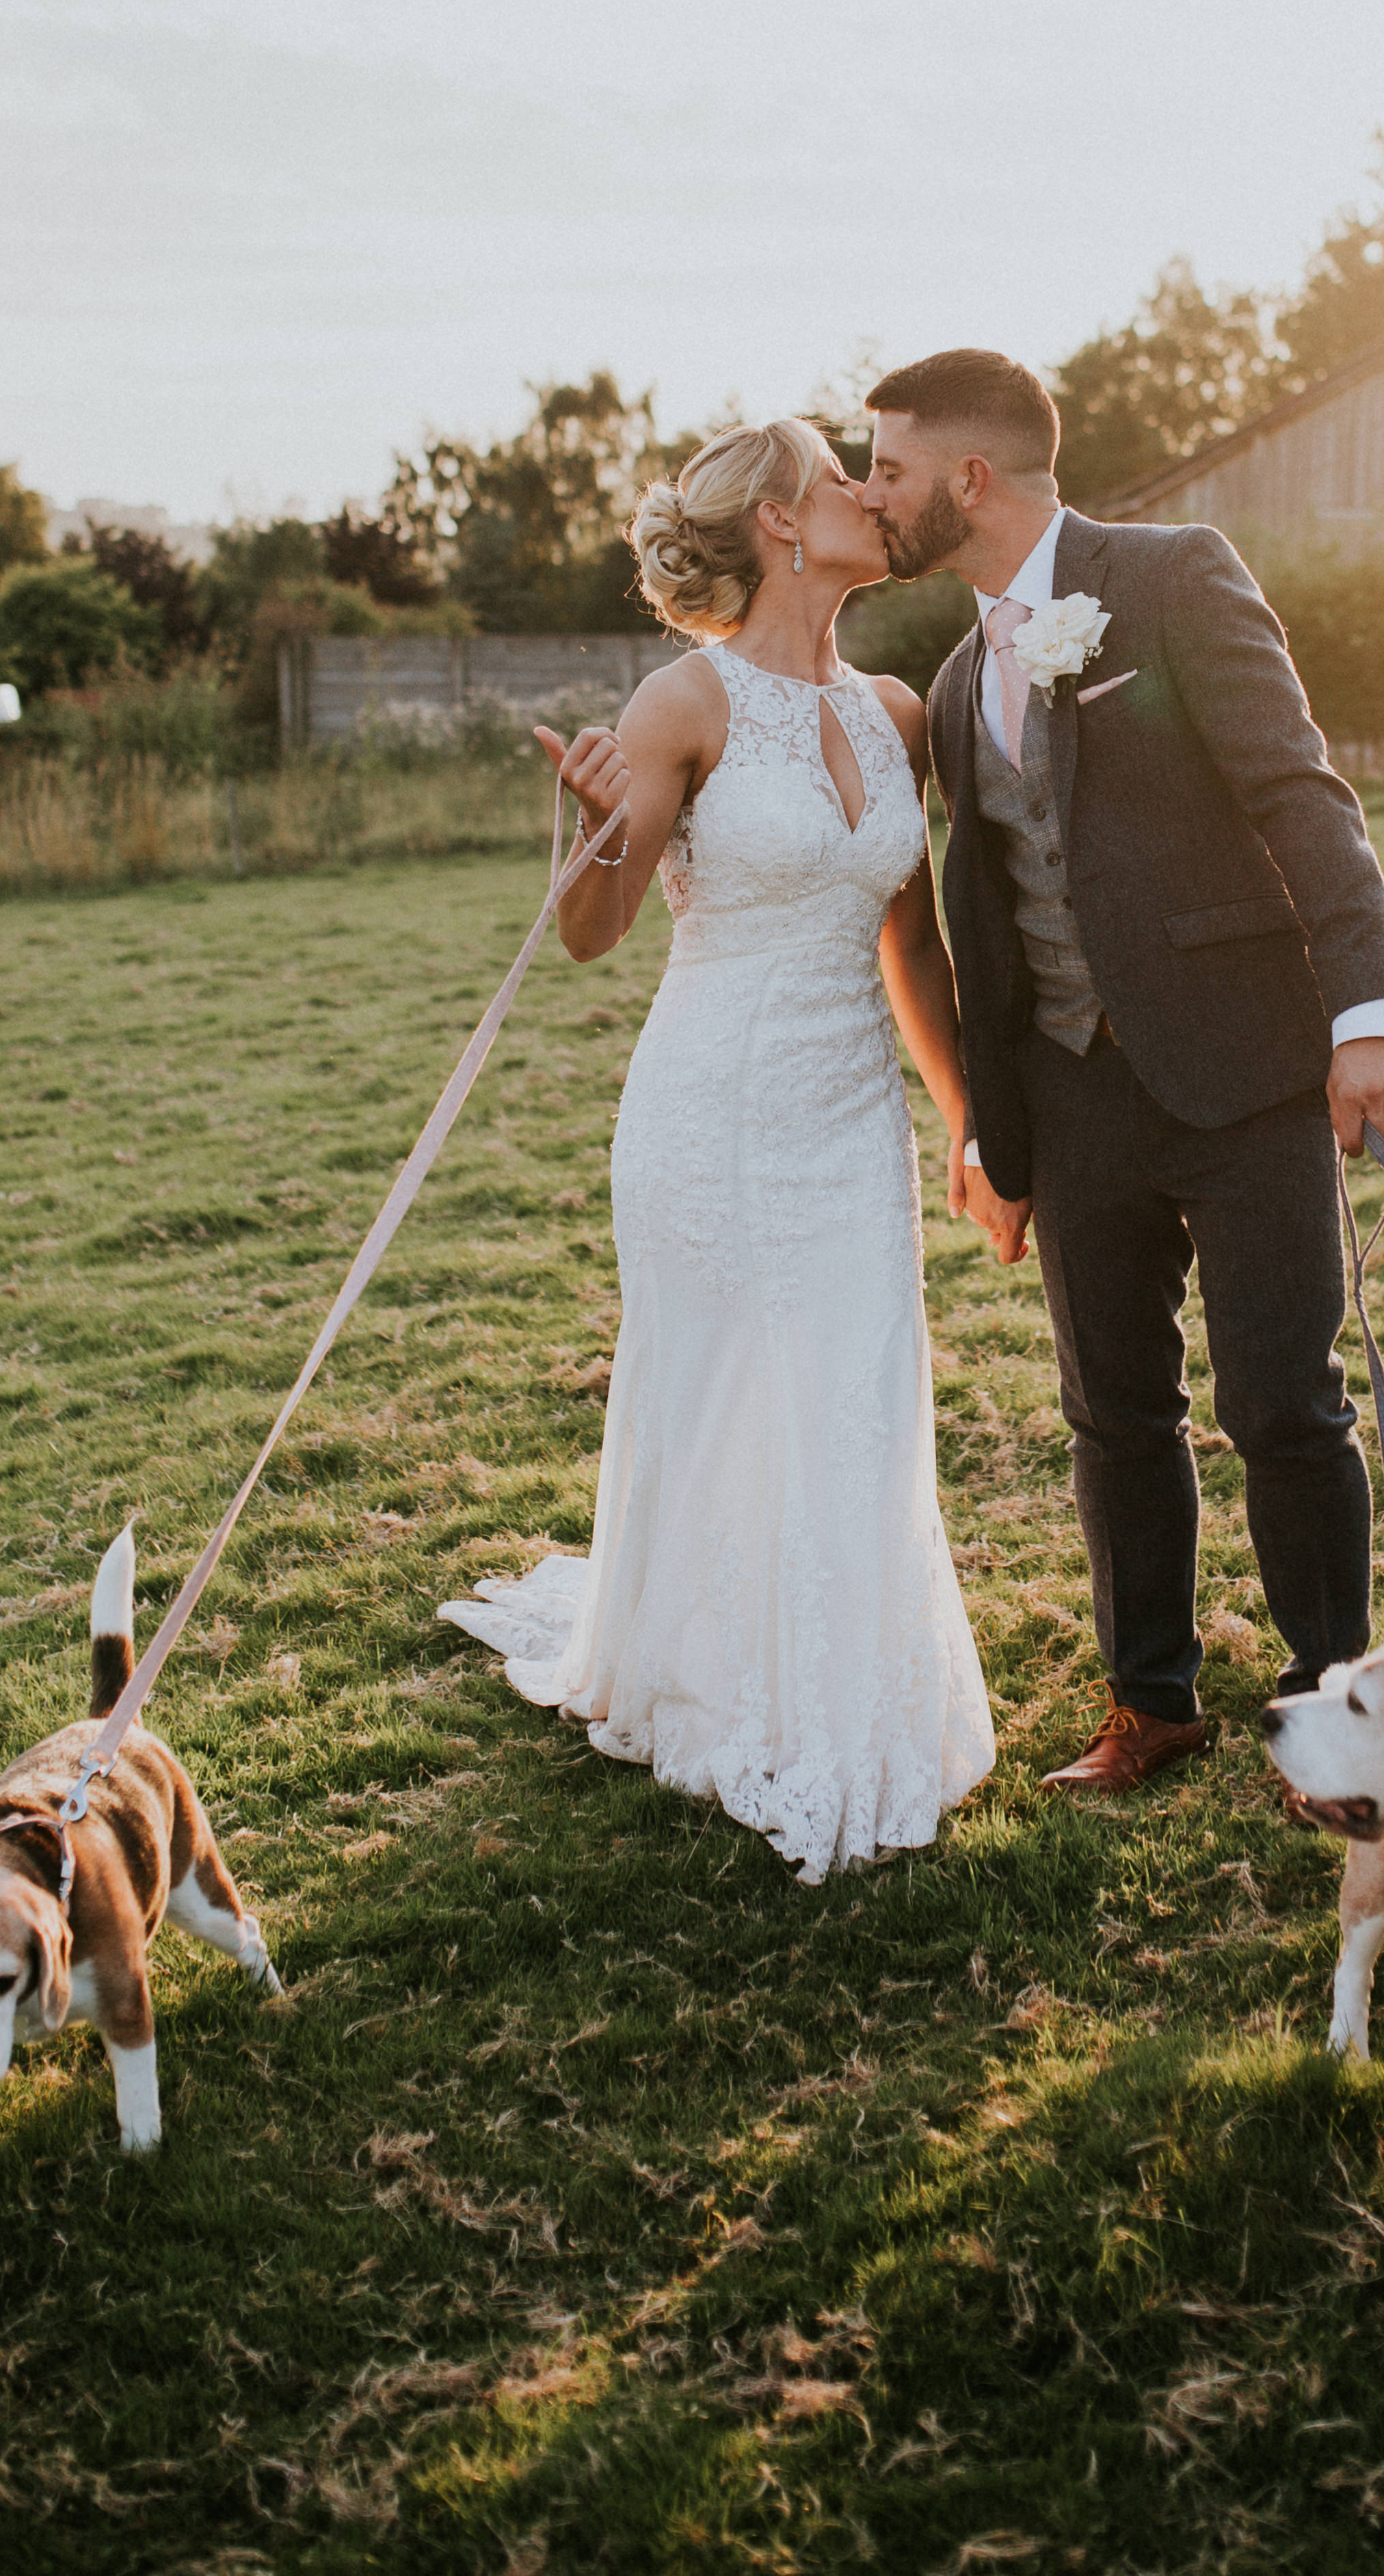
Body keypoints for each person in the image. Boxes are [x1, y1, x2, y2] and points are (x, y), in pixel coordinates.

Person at [439, 419, 999, 1882]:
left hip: (849, 1118)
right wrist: (603, 830)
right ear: (773, 522)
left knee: (853, 1385)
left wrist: (966, 1119)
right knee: (733, 1386)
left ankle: (839, 1679)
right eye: (843, 484)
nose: (875, 502)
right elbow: (588, 935)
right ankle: (715, 1673)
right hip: (711, 1112)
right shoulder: (683, 698)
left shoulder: (896, 707)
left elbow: (916, 946)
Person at [860, 347, 1384, 1796]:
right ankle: (1151, 1699)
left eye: (889, 468)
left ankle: (1334, 1708)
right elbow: (984, 914)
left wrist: (1368, 1013)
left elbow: (1300, 792)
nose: (875, 496)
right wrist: (993, 1124)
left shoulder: (1171, 575)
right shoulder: (958, 669)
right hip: (1072, 1086)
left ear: (969, 478)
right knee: (1112, 1410)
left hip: (1243, 1070)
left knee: (1282, 1402)